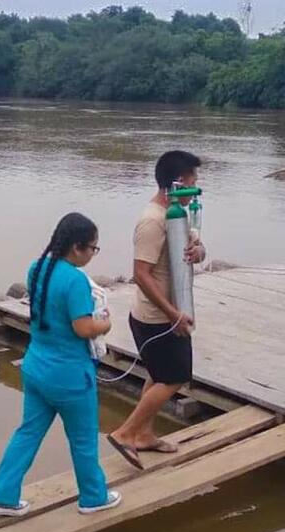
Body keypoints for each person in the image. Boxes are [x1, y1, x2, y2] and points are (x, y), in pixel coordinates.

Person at [0, 213, 122, 516]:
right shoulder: (74, 280)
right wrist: (105, 324)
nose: (93, 254)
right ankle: (93, 497)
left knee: (28, 432)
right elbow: (83, 328)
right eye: (93, 248)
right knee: (84, 439)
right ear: (76, 247)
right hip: (70, 376)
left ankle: (3, 494)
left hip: (36, 367)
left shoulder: (38, 268)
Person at [107, 151, 206, 468]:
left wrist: (198, 250)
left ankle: (145, 436)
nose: (196, 185)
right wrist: (172, 314)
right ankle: (125, 434)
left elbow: (194, 250)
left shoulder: (177, 214)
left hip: (168, 313)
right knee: (175, 378)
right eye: (192, 178)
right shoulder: (152, 221)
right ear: (176, 183)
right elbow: (141, 273)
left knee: (158, 375)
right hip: (157, 319)